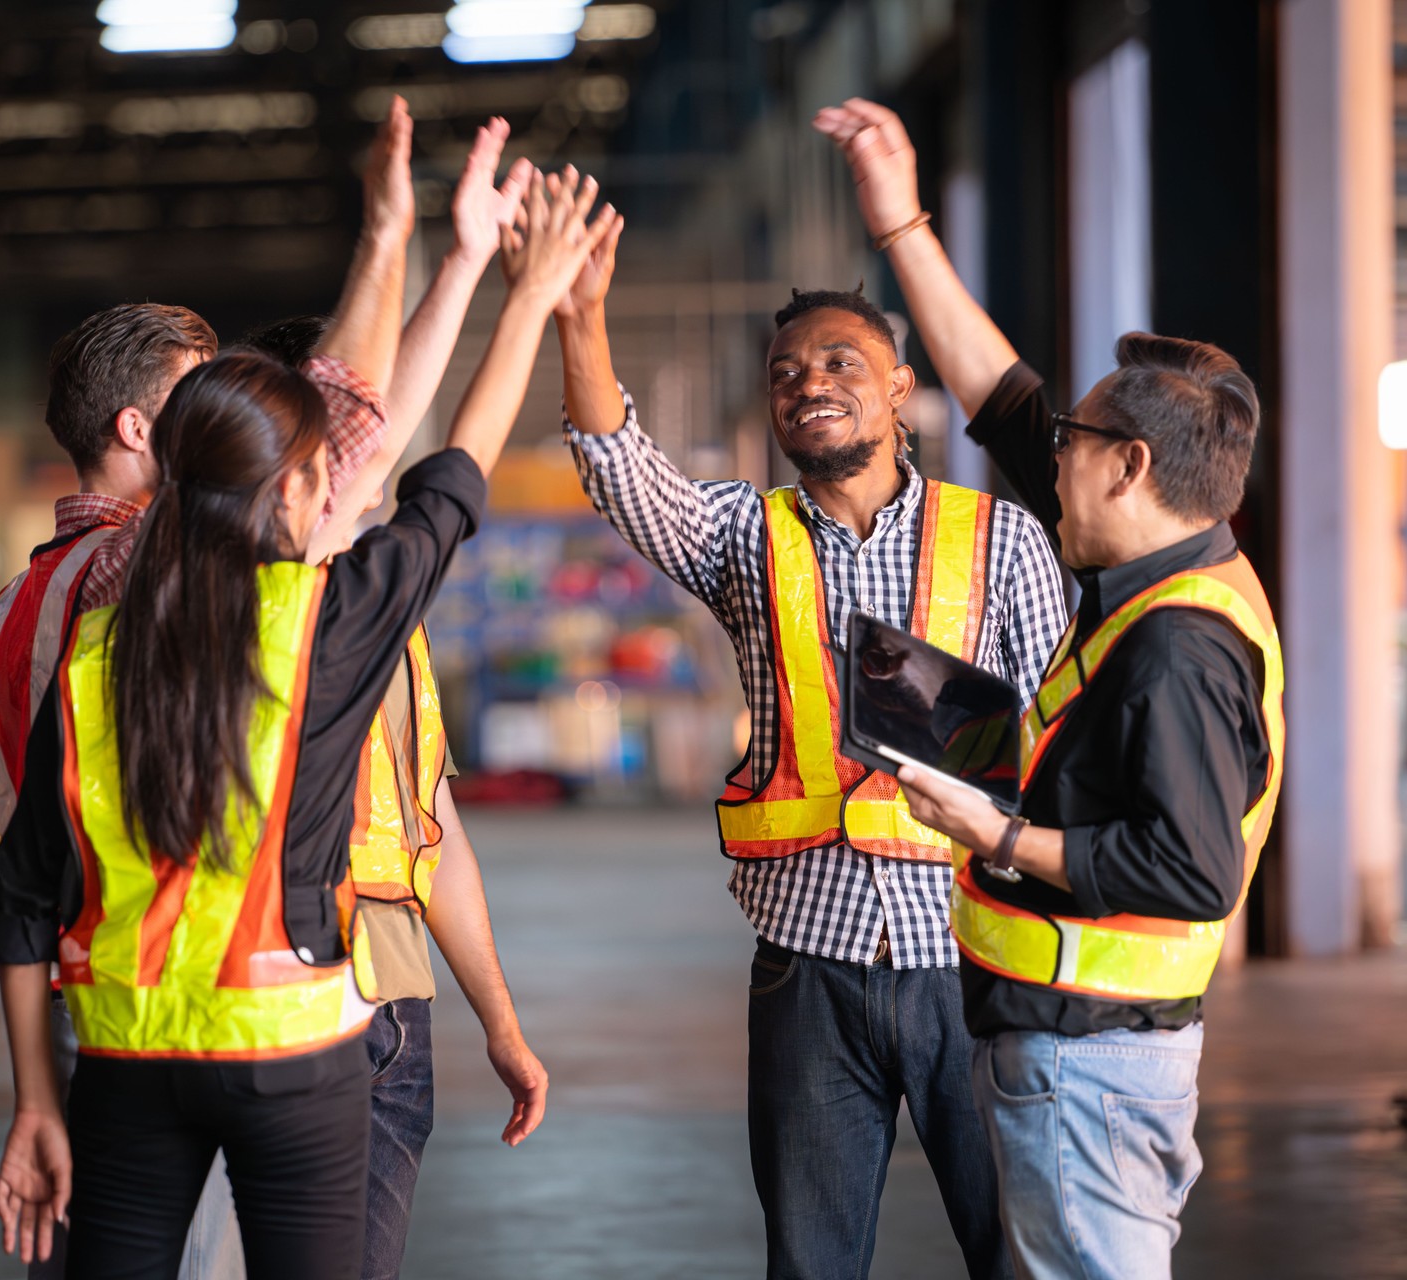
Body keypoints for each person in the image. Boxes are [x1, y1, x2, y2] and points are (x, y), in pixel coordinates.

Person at [0, 165, 614, 1280]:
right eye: (324, 473)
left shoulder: (89, 649)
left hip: (127, 1057)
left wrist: (39, 1100)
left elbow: (24, 900)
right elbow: (448, 471)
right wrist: (516, 293)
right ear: (295, 494)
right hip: (295, 1057)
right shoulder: (327, 622)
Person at [549, 158, 1065, 1278]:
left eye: (841, 360)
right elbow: (620, 469)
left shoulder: (1005, 541)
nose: (808, 380)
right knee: (810, 1259)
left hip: (974, 949)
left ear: (899, 389)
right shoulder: (745, 537)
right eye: (787, 371)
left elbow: (1062, 745)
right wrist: (582, 316)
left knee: (1019, 1249)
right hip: (809, 961)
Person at [815, 98, 1284, 1280]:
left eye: (1075, 440)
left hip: (1091, 1060)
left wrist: (1001, 834)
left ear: (1129, 465)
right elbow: (1005, 399)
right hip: (1075, 1046)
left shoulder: (1181, 645)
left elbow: (1190, 868)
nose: (1048, 453)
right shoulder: (1162, 551)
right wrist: (901, 223)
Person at [170, 313, 551, 1280]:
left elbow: (434, 834)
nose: (365, 463)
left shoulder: (389, 624)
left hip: (389, 995)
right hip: (250, 997)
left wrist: (501, 1027)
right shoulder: (199, 629)